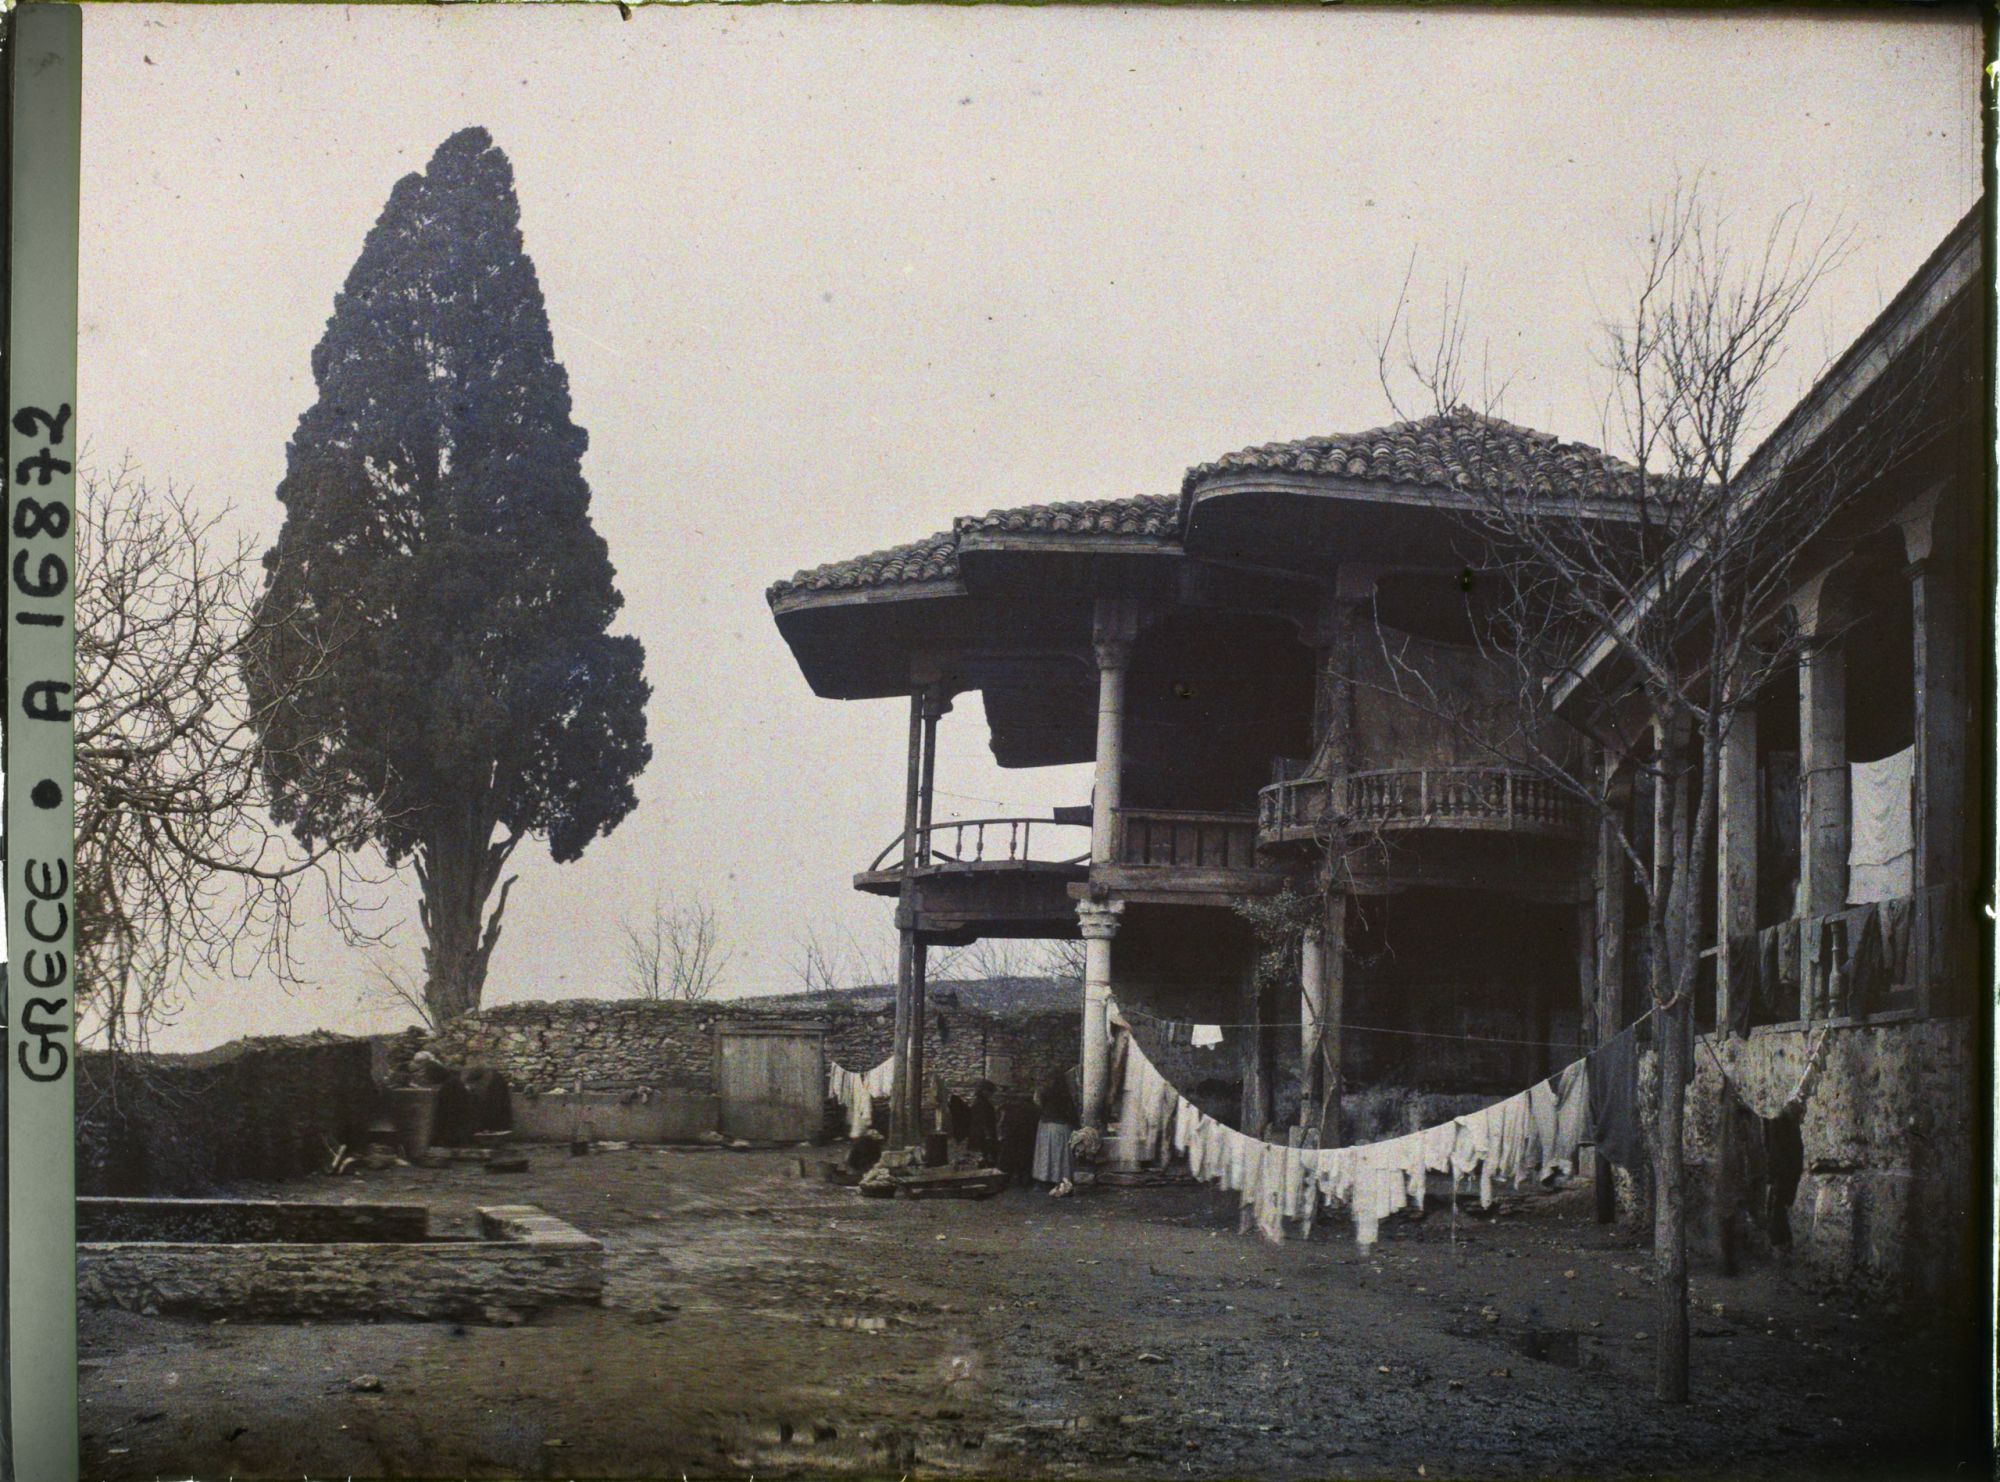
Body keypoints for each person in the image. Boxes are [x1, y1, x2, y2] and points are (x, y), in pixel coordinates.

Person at [1032, 1066, 1079, 1196]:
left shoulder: (1043, 1091)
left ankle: (1045, 1179)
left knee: (1048, 1154)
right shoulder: (1065, 1093)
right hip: (1059, 1127)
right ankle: (1059, 1179)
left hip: (1049, 1126)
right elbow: (1071, 1111)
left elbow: (1038, 1105)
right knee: (1058, 1155)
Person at [967, 1080, 1000, 1167]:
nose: (991, 1094)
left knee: (982, 1157)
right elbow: (984, 1121)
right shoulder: (982, 1104)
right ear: (984, 1091)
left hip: (979, 1134)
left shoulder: (979, 1102)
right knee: (986, 1158)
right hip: (983, 1135)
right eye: (990, 1091)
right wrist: (989, 1136)